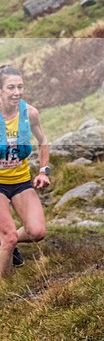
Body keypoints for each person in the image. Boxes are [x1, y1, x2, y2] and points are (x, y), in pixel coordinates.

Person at [0, 65, 51, 277]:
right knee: (10, 237)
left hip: (20, 180)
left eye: (20, 87)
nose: (17, 92)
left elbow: (43, 141)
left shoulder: (30, 113)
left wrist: (43, 171)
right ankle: (4, 286)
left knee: (37, 232)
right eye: (11, 87)